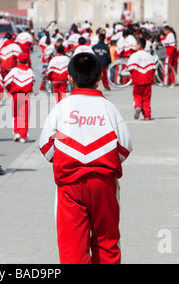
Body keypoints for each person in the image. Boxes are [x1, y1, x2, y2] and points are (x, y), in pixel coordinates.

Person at [39, 52, 133, 264]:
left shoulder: (61, 108)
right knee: (107, 241)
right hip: (103, 184)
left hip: (69, 186)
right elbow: (125, 147)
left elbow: (45, 147)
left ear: (70, 78)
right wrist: (101, 158)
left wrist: (67, 158)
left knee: (72, 246)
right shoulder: (109, 108)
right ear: (99, 77)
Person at [4, 52, 35, 143]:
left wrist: (9, 90)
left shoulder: (14, 70)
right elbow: (33, 80)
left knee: (16, 114)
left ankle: (16, 132)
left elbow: (6, 81)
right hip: (26, 95)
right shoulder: (30, 71)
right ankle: (23, 135)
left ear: (18, 60)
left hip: (16, 95)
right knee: (24, 115)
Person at [127, 37, 156, 121]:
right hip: (147, 81)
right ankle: (147, 115)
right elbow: (153, 68)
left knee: (137, 96)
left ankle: (138, 106)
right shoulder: (149, 56)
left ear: (139, 45)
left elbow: (130, 68)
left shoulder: (134, 56)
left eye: (136, 44)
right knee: (147, 99)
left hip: (137, 81)